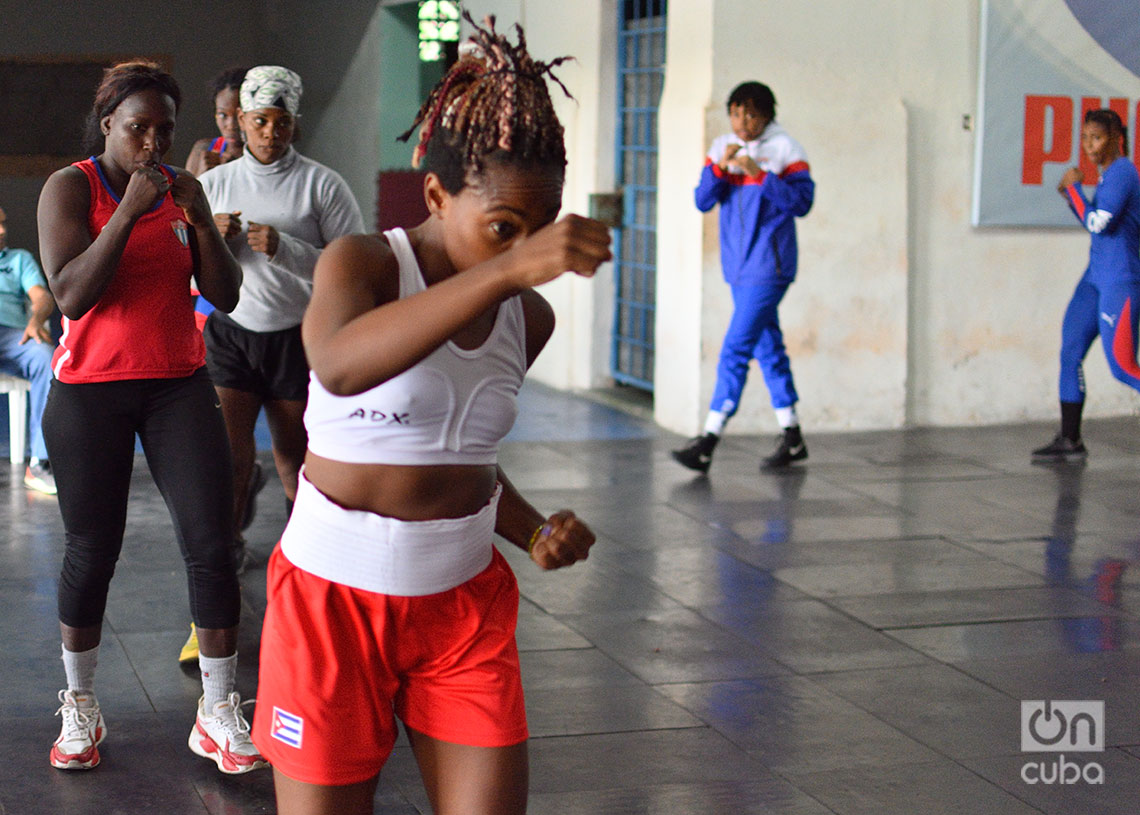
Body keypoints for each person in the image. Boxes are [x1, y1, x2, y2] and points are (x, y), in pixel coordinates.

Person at [251, 16, 610, 814]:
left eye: (542, 226)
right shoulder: (367, 264)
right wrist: (510, 268)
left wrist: (530, 527)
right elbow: (338, 365)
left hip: (461, 606)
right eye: (504, 227)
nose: (527, 247)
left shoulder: (528, 317)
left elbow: (457, 451)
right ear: (438, 195)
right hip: (332, 601)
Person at [35, 60, 265, 774]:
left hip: (177, 385)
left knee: (212, 539)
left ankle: (218, 712)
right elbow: (72, 294)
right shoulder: (70, 187)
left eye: (165, 130)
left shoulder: (182, 191)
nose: (153, 144)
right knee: (90, 549)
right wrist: (130, 211)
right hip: (90, 392)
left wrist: (200, 224)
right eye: (139, 128)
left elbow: (223, 295)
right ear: (109, 125)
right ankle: (80, 705)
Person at [198, 65, 364, 573]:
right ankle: (222, 565)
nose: (272, 133)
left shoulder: (322, 185)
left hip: (297, 336)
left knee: (296, 461)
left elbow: (355, 268)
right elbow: (178, 263)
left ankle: (302, 568)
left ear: (295, 123)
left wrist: (287, 249)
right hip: (231, 335)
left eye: (283, 122)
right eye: (262, 121)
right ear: (242, 121)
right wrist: (209, 240)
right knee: (231, 461)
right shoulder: (213, 184)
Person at [672, 81, 815, 473]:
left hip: (770, 269)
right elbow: (702, 200)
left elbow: (802, 203)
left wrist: (761, 174)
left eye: (751, 114)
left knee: (735, 349)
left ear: (767, 114)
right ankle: (792, 436)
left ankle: (708, 439)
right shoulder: (721, 147)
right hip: (737, 269)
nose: (742, 122)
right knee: (768, 349)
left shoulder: (785, 149)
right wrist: (721, 168)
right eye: (736, 113)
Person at [1033, 109, 1140, 463]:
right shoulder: (1109, 175)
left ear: (1116, 139)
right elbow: (1094, 219)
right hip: (1095, 277)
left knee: (1123, 367)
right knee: (1070, 351)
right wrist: (1072, 196)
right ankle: (1070, 439)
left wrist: (1076, 188)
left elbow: (1099, 222)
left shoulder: (1123, 172)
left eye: (1096, 138)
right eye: (1085, 138)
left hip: (1120, 282)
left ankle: (1070, 438)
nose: (1089, 146)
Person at [0, 205, 57, 493]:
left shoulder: (19, 260)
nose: (2, 231)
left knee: (47, 357)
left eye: (3, 223)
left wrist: (36, 319)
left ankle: (39, 462)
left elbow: (42, 296)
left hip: (15, 337)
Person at [185, 67, 247, 178]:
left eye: (239, 116)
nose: (231, 126)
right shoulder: (203, 149)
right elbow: (185, 194)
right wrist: (203, 177)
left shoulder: (267, 154)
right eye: (223, 115)